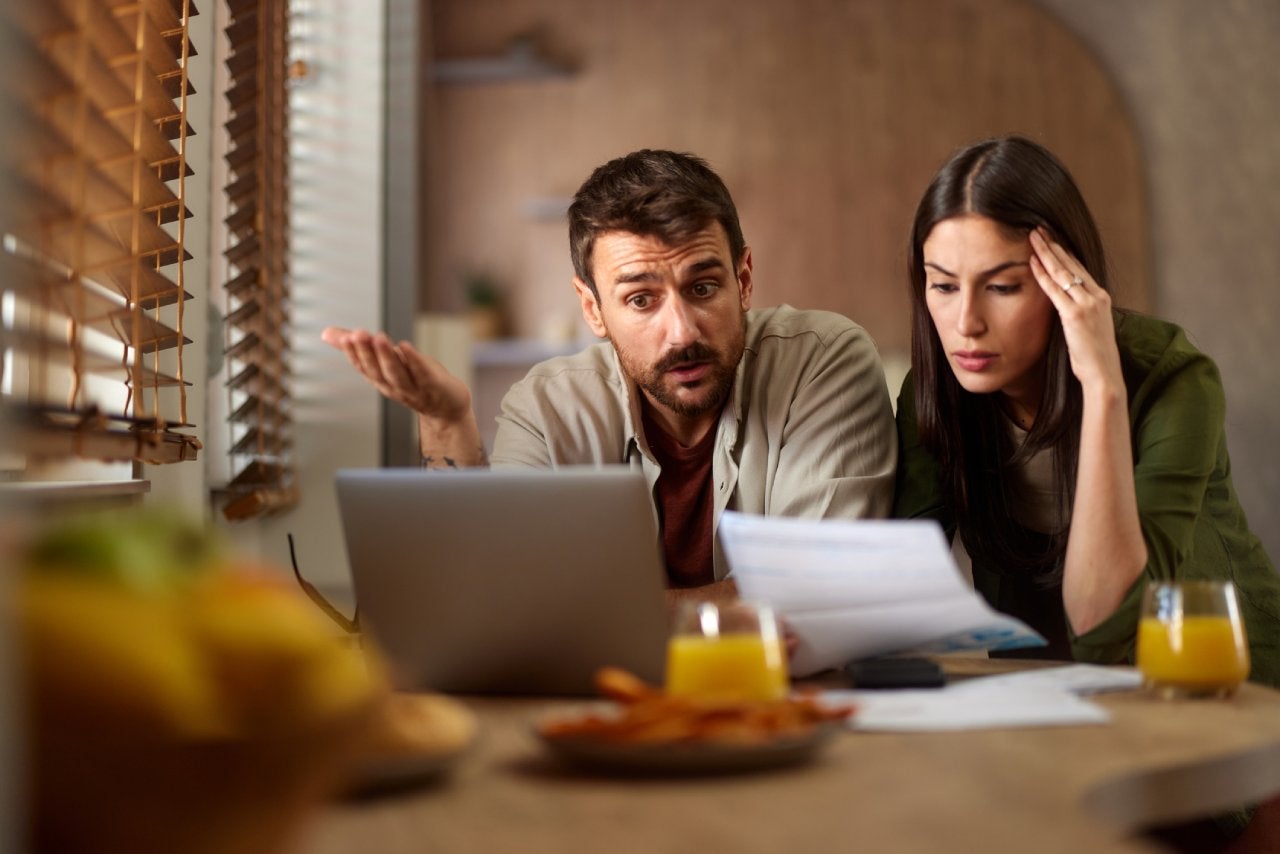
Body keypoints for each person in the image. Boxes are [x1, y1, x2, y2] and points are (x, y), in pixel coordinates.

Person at [325, 149, 897, 606]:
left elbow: (819, 592)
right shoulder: (547, 408)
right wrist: (446, 420)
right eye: (641, 299)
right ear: (593, 309)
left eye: (703, 288)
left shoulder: (824, 360)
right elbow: (490, 595)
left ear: (743, 280)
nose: (682, 333)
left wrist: (594, 616)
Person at [893, 134, 1280, 692]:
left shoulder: (1171, 378)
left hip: (1219, 690)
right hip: (1046, 696)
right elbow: (899, 585)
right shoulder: (935, 395)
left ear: (1068, 280)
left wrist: (1102, 390)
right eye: (944, 285)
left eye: (1002, 286)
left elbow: (1104, 628)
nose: (966, 323)